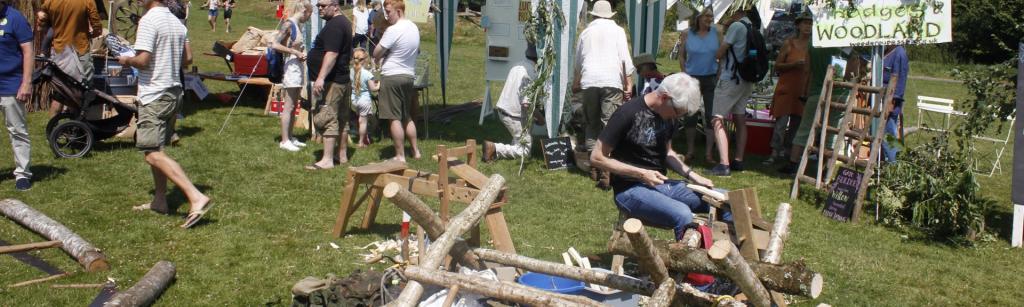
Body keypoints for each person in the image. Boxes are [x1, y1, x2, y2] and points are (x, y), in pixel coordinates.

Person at [118, 0, 211, 228]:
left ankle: (196, 197)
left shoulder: (148, 20)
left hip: (155, 94)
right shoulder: (177, 21)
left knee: (150, 153)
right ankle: (160, 201)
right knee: (158, 149)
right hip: (173, 93)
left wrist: (125, 59)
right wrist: (166, 58)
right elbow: (188, 59)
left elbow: (142, 60)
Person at [590, 73, 714, 240]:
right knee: (683, 214)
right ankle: (684, 264)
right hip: (630, 189)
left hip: (661, 184)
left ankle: (735, 261)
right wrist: (641, 173)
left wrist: (693, 176)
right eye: (677, 112)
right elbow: (597, 157)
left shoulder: (670, 116)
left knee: (724, 201)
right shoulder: (627, 113)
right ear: (664, 97)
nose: (677, 117)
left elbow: (668, 152)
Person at [572, 0, 634, 187]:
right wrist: (629, 83)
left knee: (591, 124)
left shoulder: (585, 32)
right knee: (609, 125)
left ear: (593, 15)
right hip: (611, 81)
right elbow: (625, 59)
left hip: (590, 80)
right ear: (610, 15)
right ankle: (606, 169)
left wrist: (576, 82)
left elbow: (578, 62)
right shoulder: (618, 31)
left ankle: (594, 167)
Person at [778, 46, 865, 174]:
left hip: (816, 92)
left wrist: (805, 91)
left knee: (805, 129)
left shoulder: (814, 43)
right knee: (833, 133)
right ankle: (826, 168)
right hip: (840, 92)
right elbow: (849, 75)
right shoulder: (847, 46)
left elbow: (807, 70)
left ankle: (793, 163)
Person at [708, 7, 759, 176]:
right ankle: (738, 160)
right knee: (740, 118)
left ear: (736, 11)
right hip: (746, 79)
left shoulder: (736, 27)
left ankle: (724, 164)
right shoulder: (753, 27)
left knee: (717, 118)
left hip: (731, 79)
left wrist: (723, 30)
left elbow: (720, 52)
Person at [306, 0, 354, 170]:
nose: (319, 8)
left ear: (335, 6)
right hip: (341, 78)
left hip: (333, 80)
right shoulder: (343, 22)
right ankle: (341, 155)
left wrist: (320, 77)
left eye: (323, 5)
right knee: (341, 118)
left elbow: (332, 53)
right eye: (318, 5)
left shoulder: (335, 25)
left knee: (328, 117)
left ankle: (327, 160)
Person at [373, 0, 421, 162]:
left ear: (399, 11)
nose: (387, 16)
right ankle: (415, 151)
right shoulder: (414, 27)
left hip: (392, 76)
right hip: (408, 76)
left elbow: (376, 53)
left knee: (394, 118)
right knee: (406, 116)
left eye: (389, 12)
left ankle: (400, 155)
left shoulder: (392, 30)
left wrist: (383, 50)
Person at [38, 0, 102, 116]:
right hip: (80, 51)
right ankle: (77, 128)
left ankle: (53, 128)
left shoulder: (50, 1)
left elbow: (42, 21)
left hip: (59, 52)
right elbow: (97, 26)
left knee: (59, 94)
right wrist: (91, 34)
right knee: (82, 92)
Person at [765, 11, 811, 165]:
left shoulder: (813, 46)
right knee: (781, 123)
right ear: (798, 25)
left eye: (810, 23)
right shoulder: (789, 43)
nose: (808, 26)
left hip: (802, 90)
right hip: (786, 88)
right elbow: (777, 66)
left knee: (797, 125)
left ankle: (789, 152)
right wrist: (793, 65)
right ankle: (774, 152)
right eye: (805, 23)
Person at [482, 45, 541, 162]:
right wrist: (540, 117)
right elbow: (526, 104)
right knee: (525, 151)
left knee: (520, 139)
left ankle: (497, 153)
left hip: (504, 109)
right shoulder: (532, 73)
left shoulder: (517, 65)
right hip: (513, 115)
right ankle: (494, 148)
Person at [678, 7, 720, 164]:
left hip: (710, 78)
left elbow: (722, 55)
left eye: (711, 16)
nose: (709, 18)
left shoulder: (717, 33)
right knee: (691, 114)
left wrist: (719, 73)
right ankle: (690, 151)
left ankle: (709, 153)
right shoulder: (687, 33)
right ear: (698, 17)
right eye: (706, 16)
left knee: (710, 115)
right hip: (692, 78)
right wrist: (684, 72)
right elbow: (681, 55)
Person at [270, 0, 312, 152]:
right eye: (310, 14)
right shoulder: (289, 24)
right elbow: (274, 44)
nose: (309, 18)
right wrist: (294, 52)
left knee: (294, 104)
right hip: (291, 68)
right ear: (305, 11)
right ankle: (284, 140)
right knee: (288, 105)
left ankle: (291, 136)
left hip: (298, 66)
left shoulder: (298, 25)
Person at [0, 0, 34, 191]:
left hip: (10, 85)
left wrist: (26, 82)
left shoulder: (15, 18)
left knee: (17, 130)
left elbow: (28, 51)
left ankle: (22, 173)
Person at [881, 44, 908, 163]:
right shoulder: (884, 50)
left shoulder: (899, 53)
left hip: (890, 103)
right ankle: (882, 164)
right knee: (879, 134)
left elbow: (901, 80)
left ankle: (893, 166)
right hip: (879, 100)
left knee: (888, 135)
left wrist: (893, 101)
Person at [350, 47, 379, 147]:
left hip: (354, 100)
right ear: (365, 60)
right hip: (364, 100)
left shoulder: (351, 71)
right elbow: (373, 89)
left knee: (361, 120)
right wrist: (379, 84)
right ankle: (361, 142)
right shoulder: (368, 74)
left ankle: (365, 136)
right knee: (363, 122)